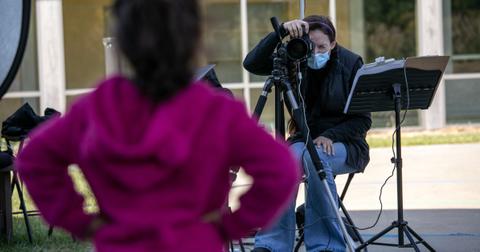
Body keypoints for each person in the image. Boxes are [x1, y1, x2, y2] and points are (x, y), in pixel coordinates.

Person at [15, 1, 300, 251]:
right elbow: (280, 169)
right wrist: (230, 226)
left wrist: (82, 222)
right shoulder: (215, 111)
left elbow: (34, 159)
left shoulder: (99, 108)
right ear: (194, 38)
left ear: (124, 40)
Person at [244, 15, 371, 252]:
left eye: (322, 46)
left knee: (315, 159)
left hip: (345, 143)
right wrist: (280, 32)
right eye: (311, 46)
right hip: (303, 139)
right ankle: (272, 244)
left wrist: (330, 135)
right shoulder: (296, 56)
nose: (315, 52)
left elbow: (362, 121)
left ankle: (327, 245)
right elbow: (251, 63)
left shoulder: (352, 63)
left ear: (333, 44)